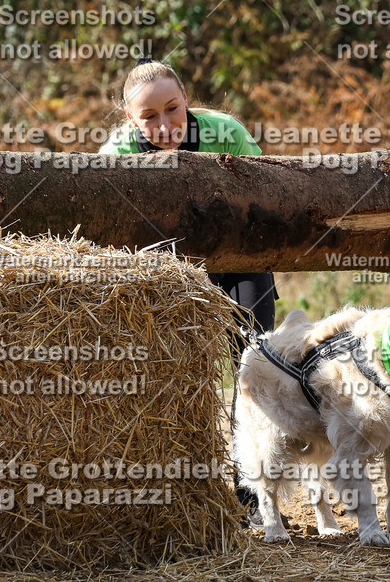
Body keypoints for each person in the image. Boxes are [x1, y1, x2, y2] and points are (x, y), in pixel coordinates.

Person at [100, 57, 279, 527]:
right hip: (165, 271)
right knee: (166, 374)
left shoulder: (226, 133)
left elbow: (273, 196)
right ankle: (174, 490)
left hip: (237, 259)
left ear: (187, 102)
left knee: (253, 366)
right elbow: (102, 233)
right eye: (149, 116)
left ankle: (251, 492)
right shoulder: (116, 154)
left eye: (173, 109)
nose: (164, 125)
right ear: (130, 120)